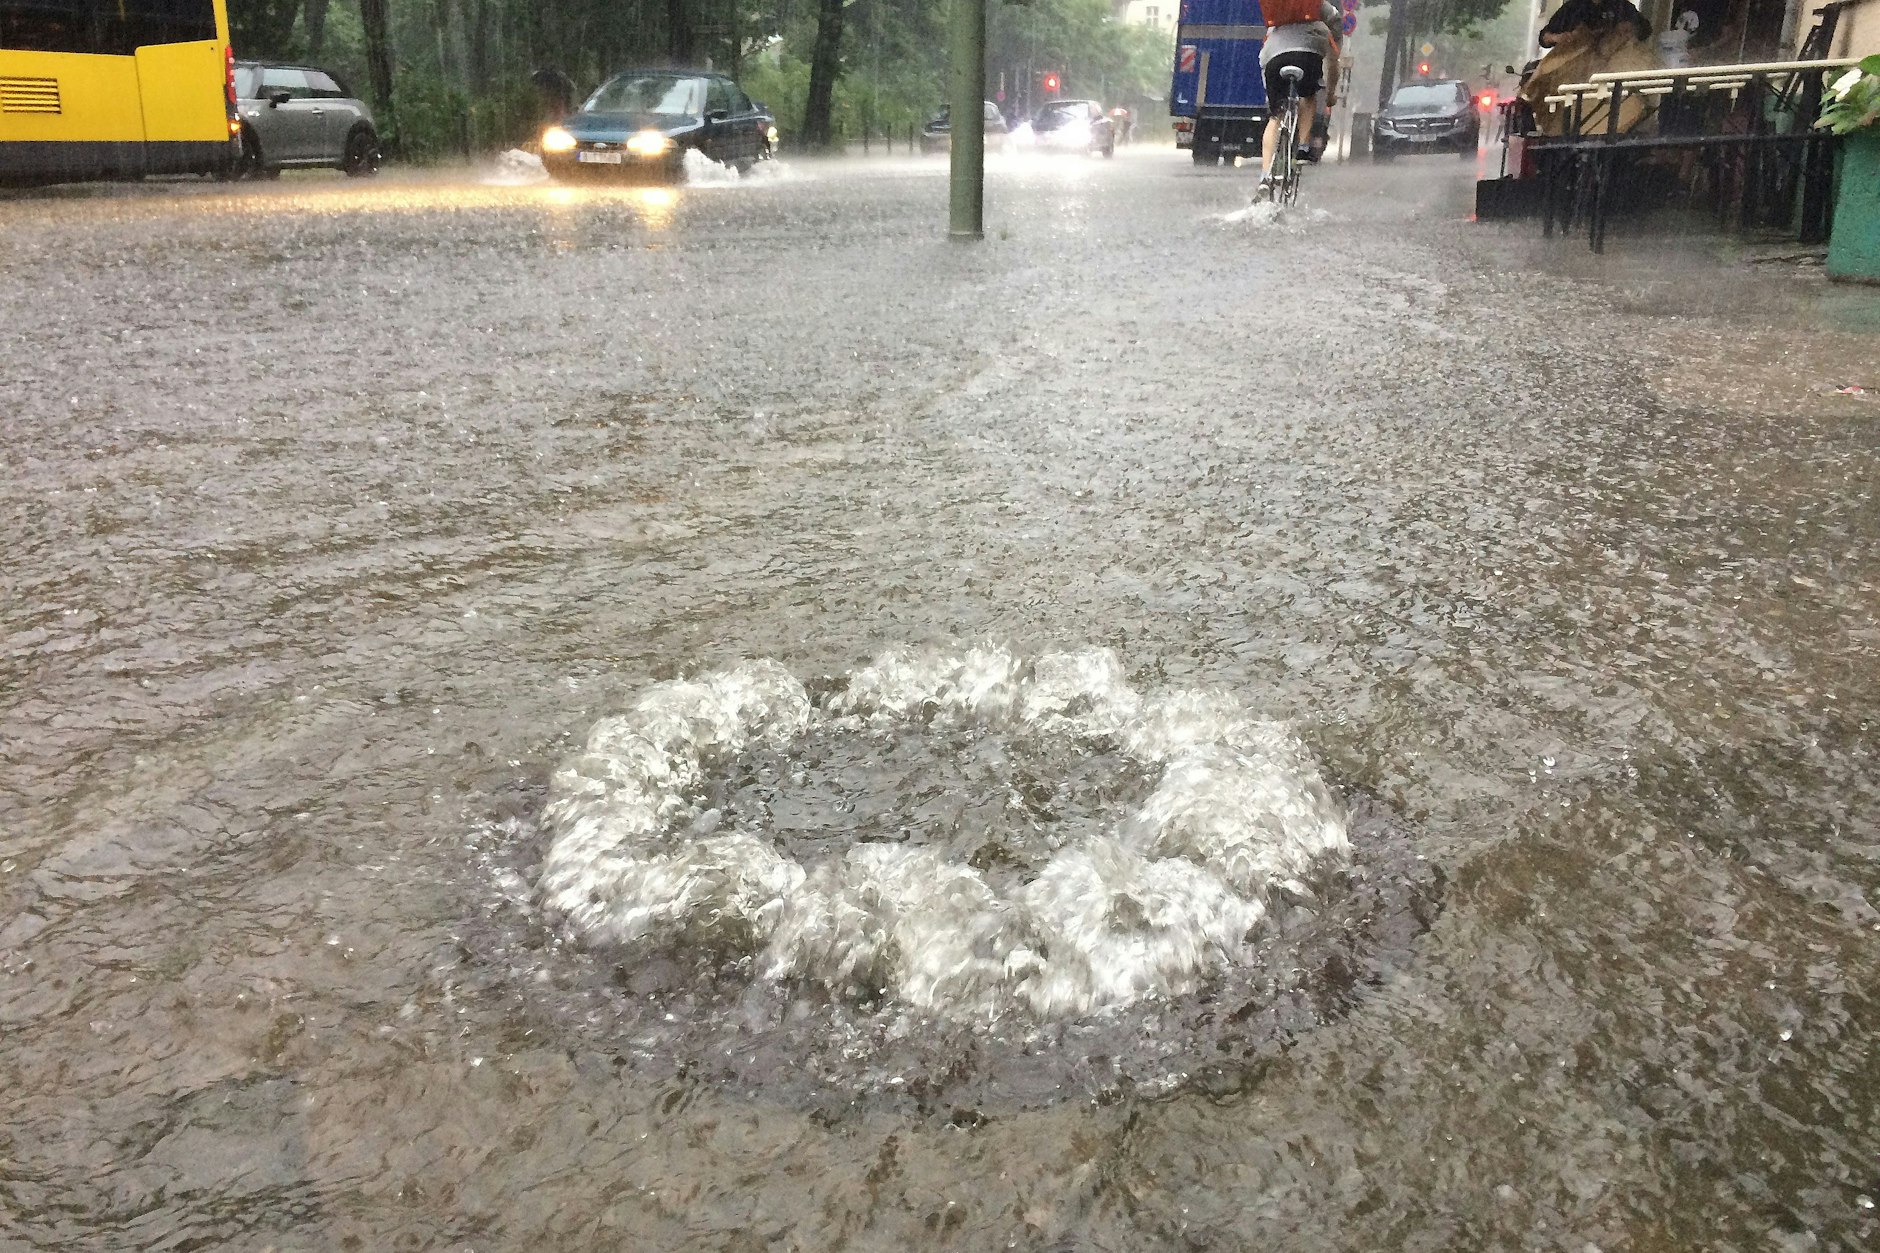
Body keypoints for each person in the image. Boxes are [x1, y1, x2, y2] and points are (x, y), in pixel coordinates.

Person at [1253, 0, 1339, 202]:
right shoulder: (1320, 27)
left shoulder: (1273, 30)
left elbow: (1264, 64)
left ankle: (1265, 177)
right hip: (1307, 57)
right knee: (1308, 97)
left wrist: (1272, 98)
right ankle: (1302, 147)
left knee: (1275, 117)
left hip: (1274, 59)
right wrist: (1330, 95)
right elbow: (1334, 64)